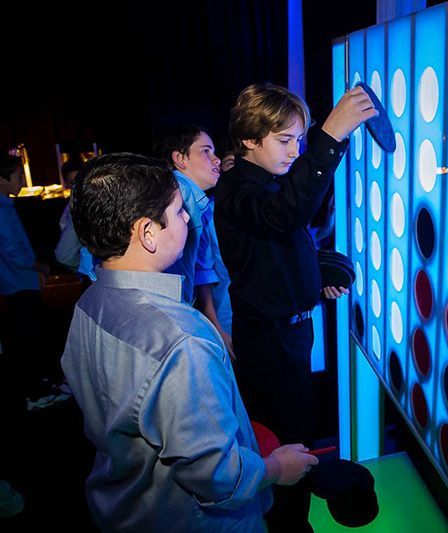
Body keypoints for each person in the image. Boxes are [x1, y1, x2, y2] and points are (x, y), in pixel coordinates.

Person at [62, 152, 318, 531]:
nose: (188, 220)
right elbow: (216, 475)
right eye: (180, 212)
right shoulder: (180, 339)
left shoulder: (89, 302)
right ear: (148, 233)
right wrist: (276, 467)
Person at [215, 82, 375, 531]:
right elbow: (284, 216)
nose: (294, 151)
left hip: (289, 332)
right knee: (285, 449)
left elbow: (281, 245)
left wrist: (314, 282)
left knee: (296, 439)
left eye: (299, 141)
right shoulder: (237, 188)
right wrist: (331, 136)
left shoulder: (265, 182)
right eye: (284, 140)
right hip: (269, 343)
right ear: (249, 139)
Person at [0, 153, 69, 412]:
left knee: (29, 338)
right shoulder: (1, 209)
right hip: (18, 285)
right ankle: (35, 394)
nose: (21, 181)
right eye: (18, 177)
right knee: (28, 340)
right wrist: (39, 266)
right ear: (2, 179)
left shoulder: (6, 205)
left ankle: (40, 386)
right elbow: (13, 252)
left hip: (19, 282)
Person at [159, 125, 233, 353]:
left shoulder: (196, 203)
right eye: (206, 151)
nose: (217, 160)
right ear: (180, 158)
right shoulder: (170, 199)